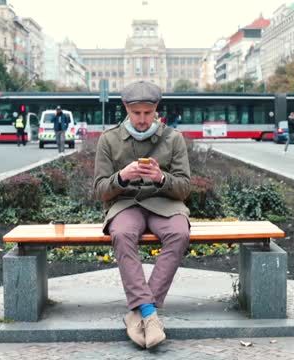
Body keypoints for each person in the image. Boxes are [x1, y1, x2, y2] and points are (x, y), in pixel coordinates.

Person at [93, 81, 191, 349]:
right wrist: (122, 177)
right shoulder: (108, 139)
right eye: (137, 114)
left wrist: (161, 178)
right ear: (126, 108)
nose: (142, 120)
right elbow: (100, 191)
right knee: (122, 233)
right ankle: (149, 314)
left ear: (156, 109)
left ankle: (139, 313)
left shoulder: (173, 138)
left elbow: (184, 189)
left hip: (165, 204)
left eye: (148, 113)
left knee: (180, 233)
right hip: (126, 204)